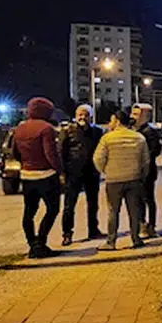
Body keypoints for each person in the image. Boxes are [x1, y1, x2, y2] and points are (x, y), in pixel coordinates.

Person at [12, 97, 64, 258]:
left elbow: (15, 152)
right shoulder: (46, 128)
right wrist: (60, 170)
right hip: (46, 175)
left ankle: (32, 244)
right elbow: (50, 153)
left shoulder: (19, 129)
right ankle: (41, 243)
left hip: (27, 176)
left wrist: (25, 164)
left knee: (29, 212)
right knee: (52, 209)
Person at [93, 109, 151, 250]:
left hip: (114, 180)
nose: (110, 123)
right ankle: (136, 239)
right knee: (134, 211)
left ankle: (111, 241)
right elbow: (146, 161)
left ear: (117, 121)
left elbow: (98, 158)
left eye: (111, 120)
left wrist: (105, 171)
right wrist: (142, 174)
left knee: (113, 211)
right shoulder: (139, 138)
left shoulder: (107, 138)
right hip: (134, 178)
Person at [57, 104, 104, 246]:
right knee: (69, 205)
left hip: (92, 172)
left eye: (86, 115)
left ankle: (93, 230)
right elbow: (60, 152)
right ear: (75, 116)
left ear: (91, 116)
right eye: (80, 115)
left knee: (93, 204)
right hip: (73, 173)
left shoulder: (97, 131)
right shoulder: (67, 131)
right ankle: (67, 233)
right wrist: (62, 172)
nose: (83, 117)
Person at [130, 103, 162, 237]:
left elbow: (155, 150)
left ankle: (151, 226)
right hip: (135, 171)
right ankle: (141, 223)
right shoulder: (132, 131)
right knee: (137, 200)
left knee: (148, 198)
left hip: (147, 171)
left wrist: (142, 158)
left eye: (136, 114)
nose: (133, 117)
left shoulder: (150, 132)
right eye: (132, 113)